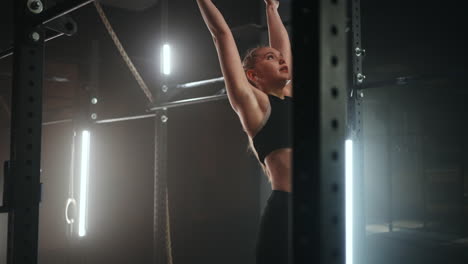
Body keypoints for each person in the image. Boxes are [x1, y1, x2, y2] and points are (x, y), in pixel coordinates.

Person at [196, 0, 292, 263]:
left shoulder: (290, 96)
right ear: (252, 75)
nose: (281, 59)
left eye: (281, 57)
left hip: (320, 206)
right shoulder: (254, 104)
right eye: (270, 58)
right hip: (286, 211)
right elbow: (221, 34)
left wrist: (271, 7)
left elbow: (282, 47)